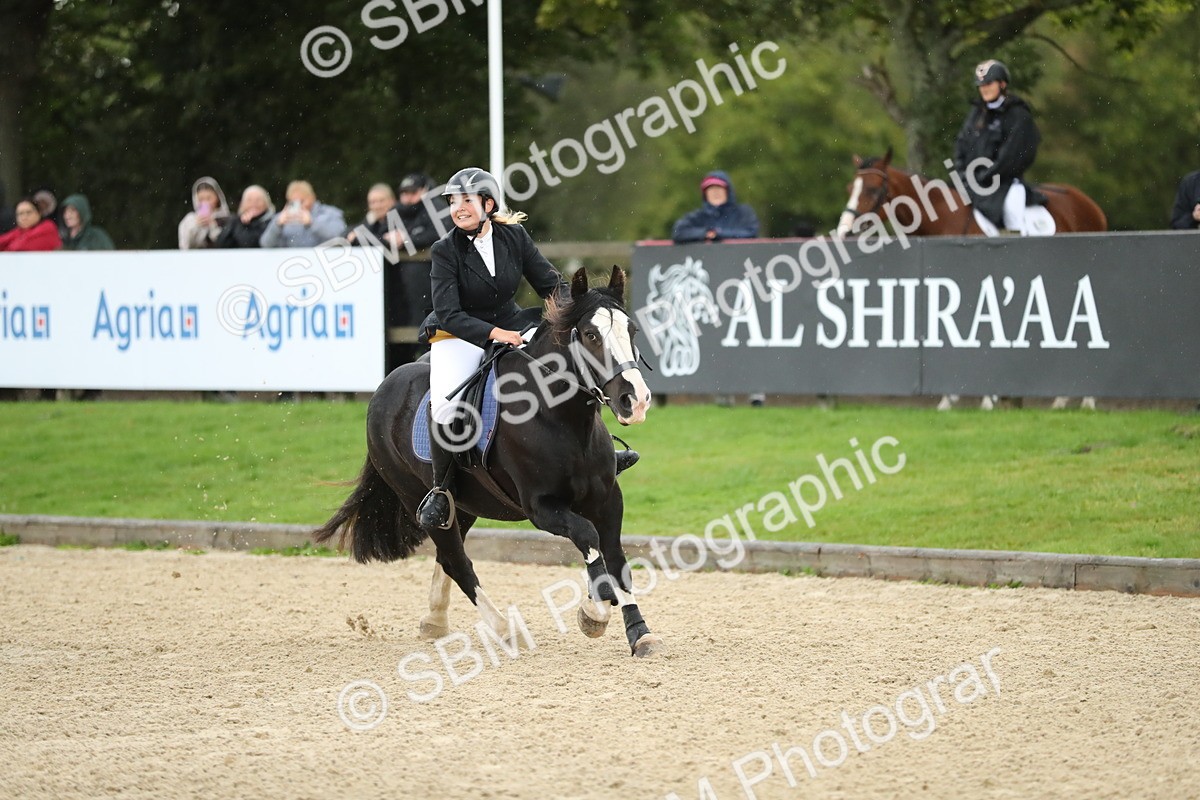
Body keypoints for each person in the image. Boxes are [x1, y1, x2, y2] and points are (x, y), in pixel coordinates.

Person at [415, 167, 637, 529]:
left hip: (512, 323)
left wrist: (583, 307)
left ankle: (601, 452)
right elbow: (450, 312)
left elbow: (551, 283)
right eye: (453, 202)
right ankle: (441, 491)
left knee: (566, 363)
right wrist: (494, 333)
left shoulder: (512, 236)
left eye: (465, 201)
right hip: (457, 334)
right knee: (445, 405)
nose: (458, 208)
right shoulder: (445, 250)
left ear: (488, 204)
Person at [953, 59, 1042, 235]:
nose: (984, 88)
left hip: (1005, 184)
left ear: (1002, 84)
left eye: (988, 83)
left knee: (1012, 212)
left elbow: (1012, 156)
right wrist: (962, 173)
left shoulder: (1017, 114)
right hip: (973, 183)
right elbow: (961, 143)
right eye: (981, 85)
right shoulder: (977, 113)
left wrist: (986, 176)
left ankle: (1015, 243)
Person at [671, 171, 759, 244]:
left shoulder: (743, 212)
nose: (715, 192)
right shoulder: (698, 216)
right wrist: (705, 233)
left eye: (719, 188)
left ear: (728, 192)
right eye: (711, 189)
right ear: (705, 195)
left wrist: (718, 234)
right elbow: (678, 233)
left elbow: (751, 233)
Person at [258, 180, 346, 248]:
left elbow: (341, 236)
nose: (299, 205)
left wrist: (312, 223)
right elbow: (265, 244)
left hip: (323, 262)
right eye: (293, 202)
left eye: (302, 201)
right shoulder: (281, 218)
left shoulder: (329, 213)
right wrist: (277, 225)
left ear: (312, 197)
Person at [178, 177, 230, 249]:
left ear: (217, 198)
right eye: (201, 199)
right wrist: (196, 226)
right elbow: (185, 246)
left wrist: (213, 225)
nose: (205, 202)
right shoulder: (189, 219)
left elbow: (226, 244)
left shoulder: (227, 219)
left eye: (209, 198)